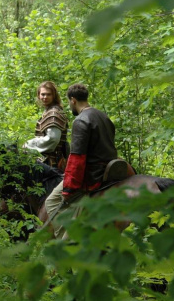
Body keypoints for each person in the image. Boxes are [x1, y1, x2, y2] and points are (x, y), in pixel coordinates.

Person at [45, 83, 118, 238]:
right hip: (109, 171)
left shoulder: (81, 120)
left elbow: (77, 159)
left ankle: (63, 238)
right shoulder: (103, 116)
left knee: (51, 201)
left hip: (92, 176)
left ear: (73, 100)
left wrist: (68, 189)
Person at [23, 81, 69, 171]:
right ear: (38, 95)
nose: (45, 97)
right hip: (48, 160)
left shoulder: (53, 113)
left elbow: (52, 139)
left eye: (48, 94)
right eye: (43, 94)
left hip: (52, 162)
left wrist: (30, 144)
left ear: (54, 96)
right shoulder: (50, 111)